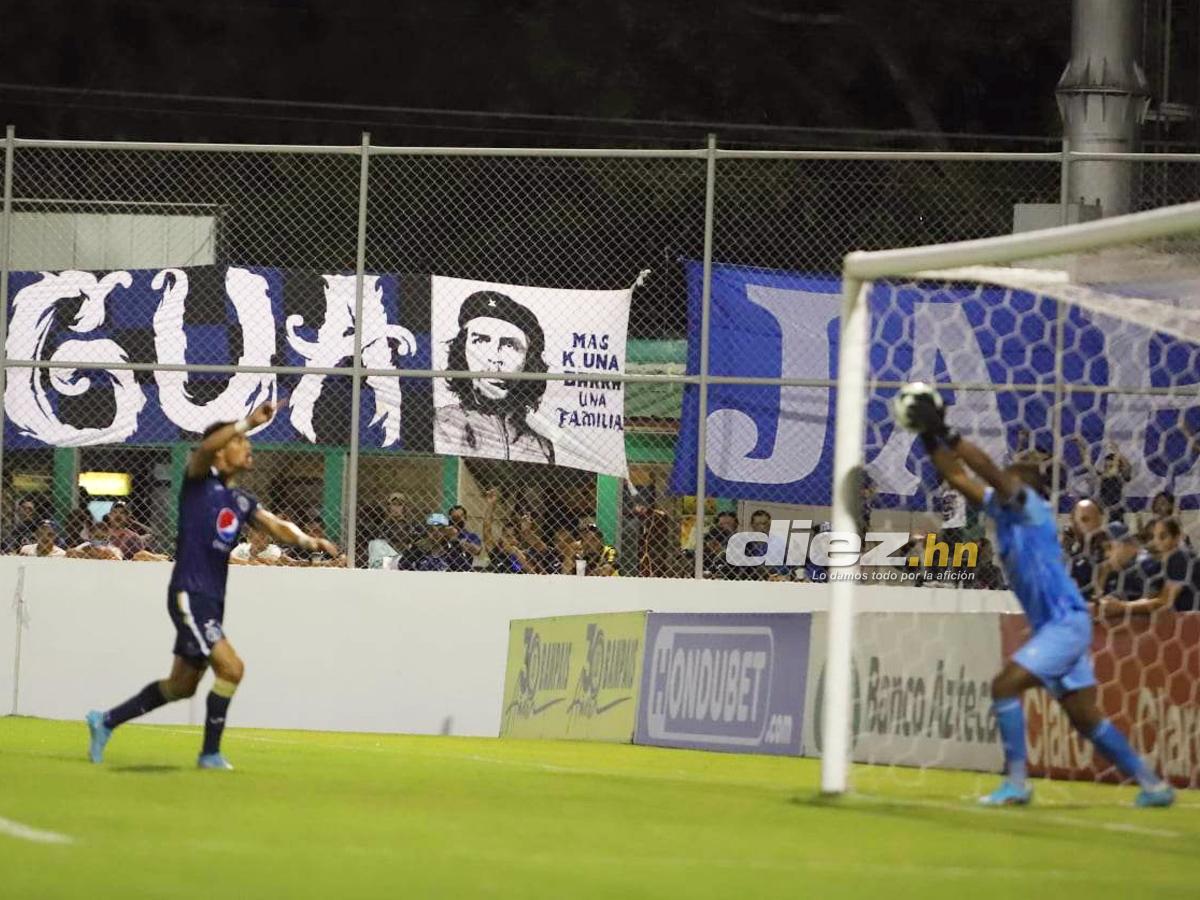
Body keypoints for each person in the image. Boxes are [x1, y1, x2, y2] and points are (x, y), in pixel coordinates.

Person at [903, 385, 1174, 807]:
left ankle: (1017, 783)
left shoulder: (1030, 508)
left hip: (1066, 623)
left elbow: (988, 471)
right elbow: (956, 476)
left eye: (1009, 477)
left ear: (1024, 487)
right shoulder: (1001, 509)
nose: (1000, 480)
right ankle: (1154, 786)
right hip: (1056, 626)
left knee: (1004, 686)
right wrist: (926, 434)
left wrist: (948, 431)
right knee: (1086, 719)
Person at [85, 401, 339, 770]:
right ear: (221, 451)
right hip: (190, 594)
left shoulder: (240, 500)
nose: (247, 445)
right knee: (232, 669)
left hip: (212, 600)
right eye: (239, 441)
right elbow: (204, 448)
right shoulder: (198, 482)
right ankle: (210, 754)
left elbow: (274, 525)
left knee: (181, 686)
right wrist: (247, 422)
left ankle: (105, 720)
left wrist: (309, 541)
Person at [434, 291, 554, 464]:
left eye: (509, 345)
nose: (494, 357)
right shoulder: (439, 425)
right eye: (481, 341)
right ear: (461, 351)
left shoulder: (541, 448)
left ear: (529, 361)